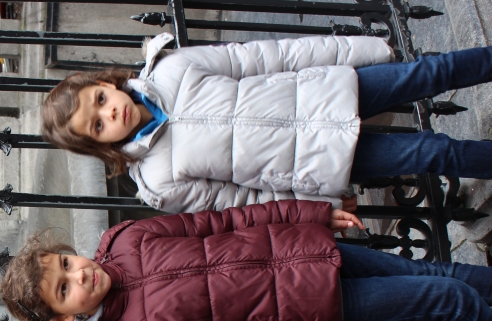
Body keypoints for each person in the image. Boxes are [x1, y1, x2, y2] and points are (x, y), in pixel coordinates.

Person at [0, 199, 492, 321]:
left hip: (310, 250)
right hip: (317, 310)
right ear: (62, 319)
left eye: (67, 263)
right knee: (447, 298)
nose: (81, 274)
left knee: (438, 275)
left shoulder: (125, 239)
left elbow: (225, 221)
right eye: (65, 288)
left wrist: (311, 213)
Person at [41, 34, 492, 215]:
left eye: (100, 100)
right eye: (96, 126)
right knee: (433, 152)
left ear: (105, 83)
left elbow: (270, 55)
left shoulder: (172, 69)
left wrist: (361, 49)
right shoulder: (160, 180)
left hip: (329, 89)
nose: (109, 113)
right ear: (99, 146)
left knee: (430, 73)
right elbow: (245, 203)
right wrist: (319, 208)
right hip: (325, 161)